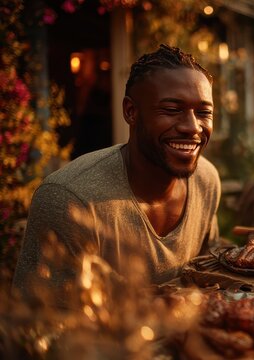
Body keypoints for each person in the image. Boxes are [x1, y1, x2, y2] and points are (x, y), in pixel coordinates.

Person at [13, 45, 221, 304]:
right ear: (131, 112)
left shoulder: (206, 180)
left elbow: (210, 279)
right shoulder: (72, 199)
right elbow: (39, 324)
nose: (193, 127)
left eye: (204, 112)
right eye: (171, 109)